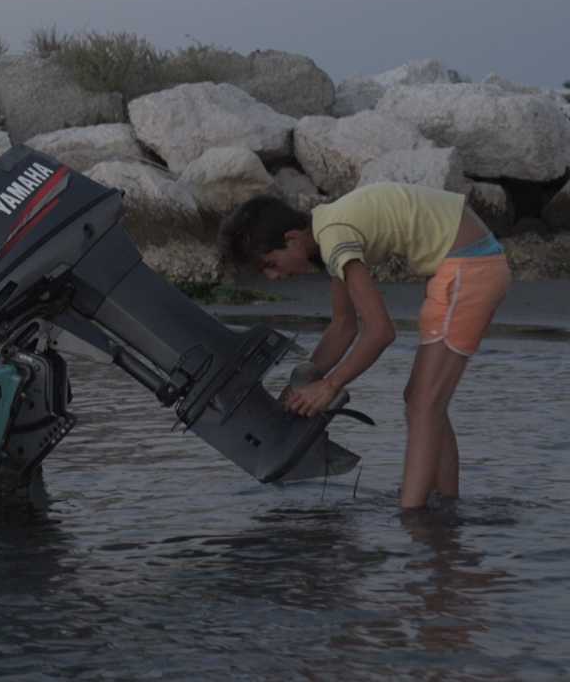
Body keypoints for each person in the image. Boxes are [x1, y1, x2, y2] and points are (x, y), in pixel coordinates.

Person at [218, 183, 510, 510]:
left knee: (424, 403)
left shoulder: (335, 236)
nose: (272, 277)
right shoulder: (328, 228)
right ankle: (444, 507)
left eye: (270, 264)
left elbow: (380, 331)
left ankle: (412, 516)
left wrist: (329, 386)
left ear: (291, 239)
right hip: (460, 268)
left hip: (471, 268)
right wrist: (304, 381)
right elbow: (343, 326)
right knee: (423, 400)